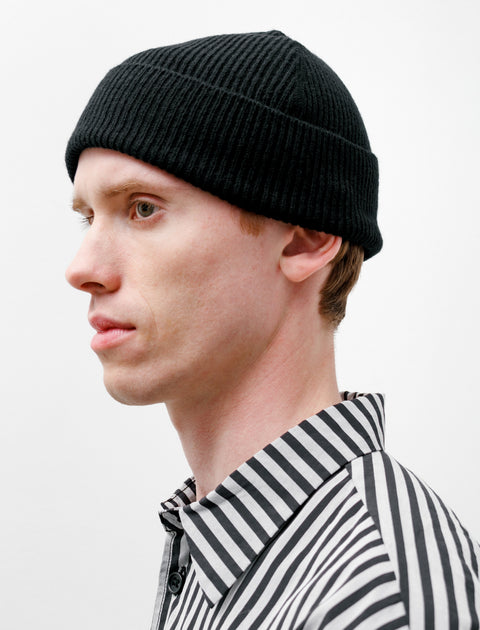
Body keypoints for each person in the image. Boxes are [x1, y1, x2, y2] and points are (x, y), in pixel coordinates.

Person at [64, 30, 479, 629]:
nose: (81, 268)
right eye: (87, 217)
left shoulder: (377, 598)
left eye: (143, 208)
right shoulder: (225, 539)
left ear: (306, 238)